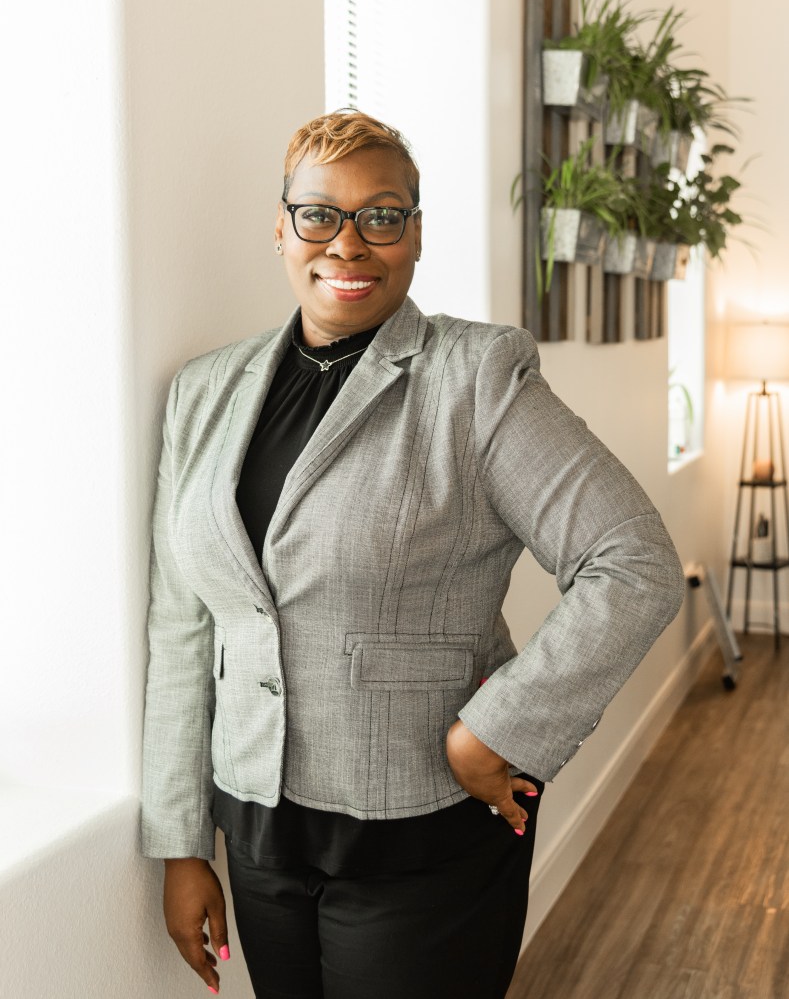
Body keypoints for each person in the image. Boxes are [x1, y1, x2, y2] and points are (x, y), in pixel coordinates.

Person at [142, 110, 685, 999]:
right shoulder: (202, 392)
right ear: (280, 227)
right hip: (258, 835)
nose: (348, 242)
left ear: (416, 233)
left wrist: (497, 729)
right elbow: (182, 625)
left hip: (420, 838)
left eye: (381, 215)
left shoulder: (475, 379)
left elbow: (632, 561)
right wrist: (179, 842)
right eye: (320, 214)